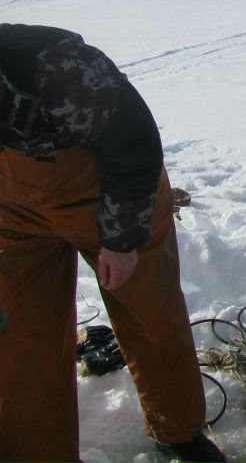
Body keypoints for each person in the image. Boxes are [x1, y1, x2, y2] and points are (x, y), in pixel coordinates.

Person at [0, 24, 225, 462]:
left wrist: (123, 242)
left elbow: (135, 141)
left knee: (149, 310)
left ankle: (179, 431)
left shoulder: (58, 68)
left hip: (106, 188)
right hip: (11, 211)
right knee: (21, 334)